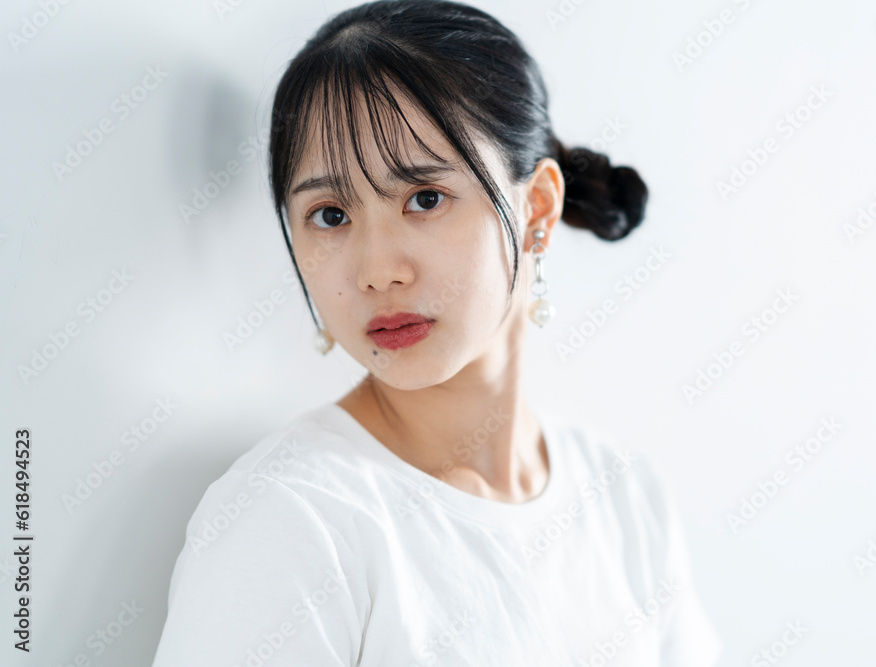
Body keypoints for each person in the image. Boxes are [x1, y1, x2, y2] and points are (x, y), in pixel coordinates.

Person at [152, 1, 722, 664]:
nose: (377, 271)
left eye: (424, 198)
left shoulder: (620, 495)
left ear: (537, 208)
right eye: (330, 214)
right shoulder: (290, 519)